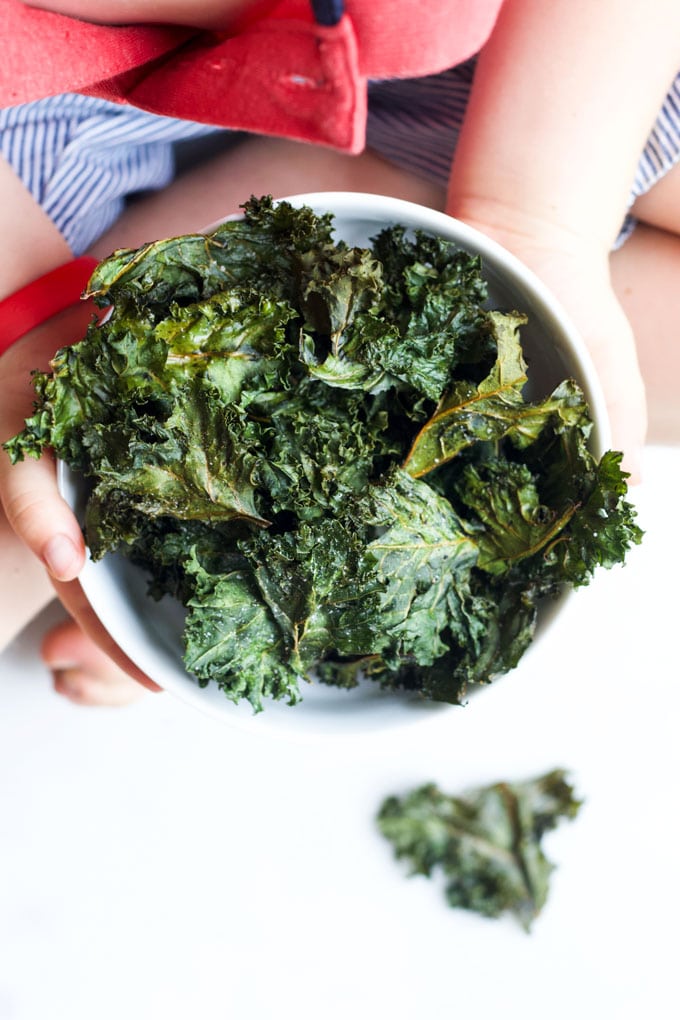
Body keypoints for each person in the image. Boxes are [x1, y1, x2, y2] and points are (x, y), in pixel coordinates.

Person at [1, 0, 679, 707]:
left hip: (503, 51)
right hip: (67, 127)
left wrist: (537, 218)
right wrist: (35, 326)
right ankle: (393, 192)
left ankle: (404, 191)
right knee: (35, 522)